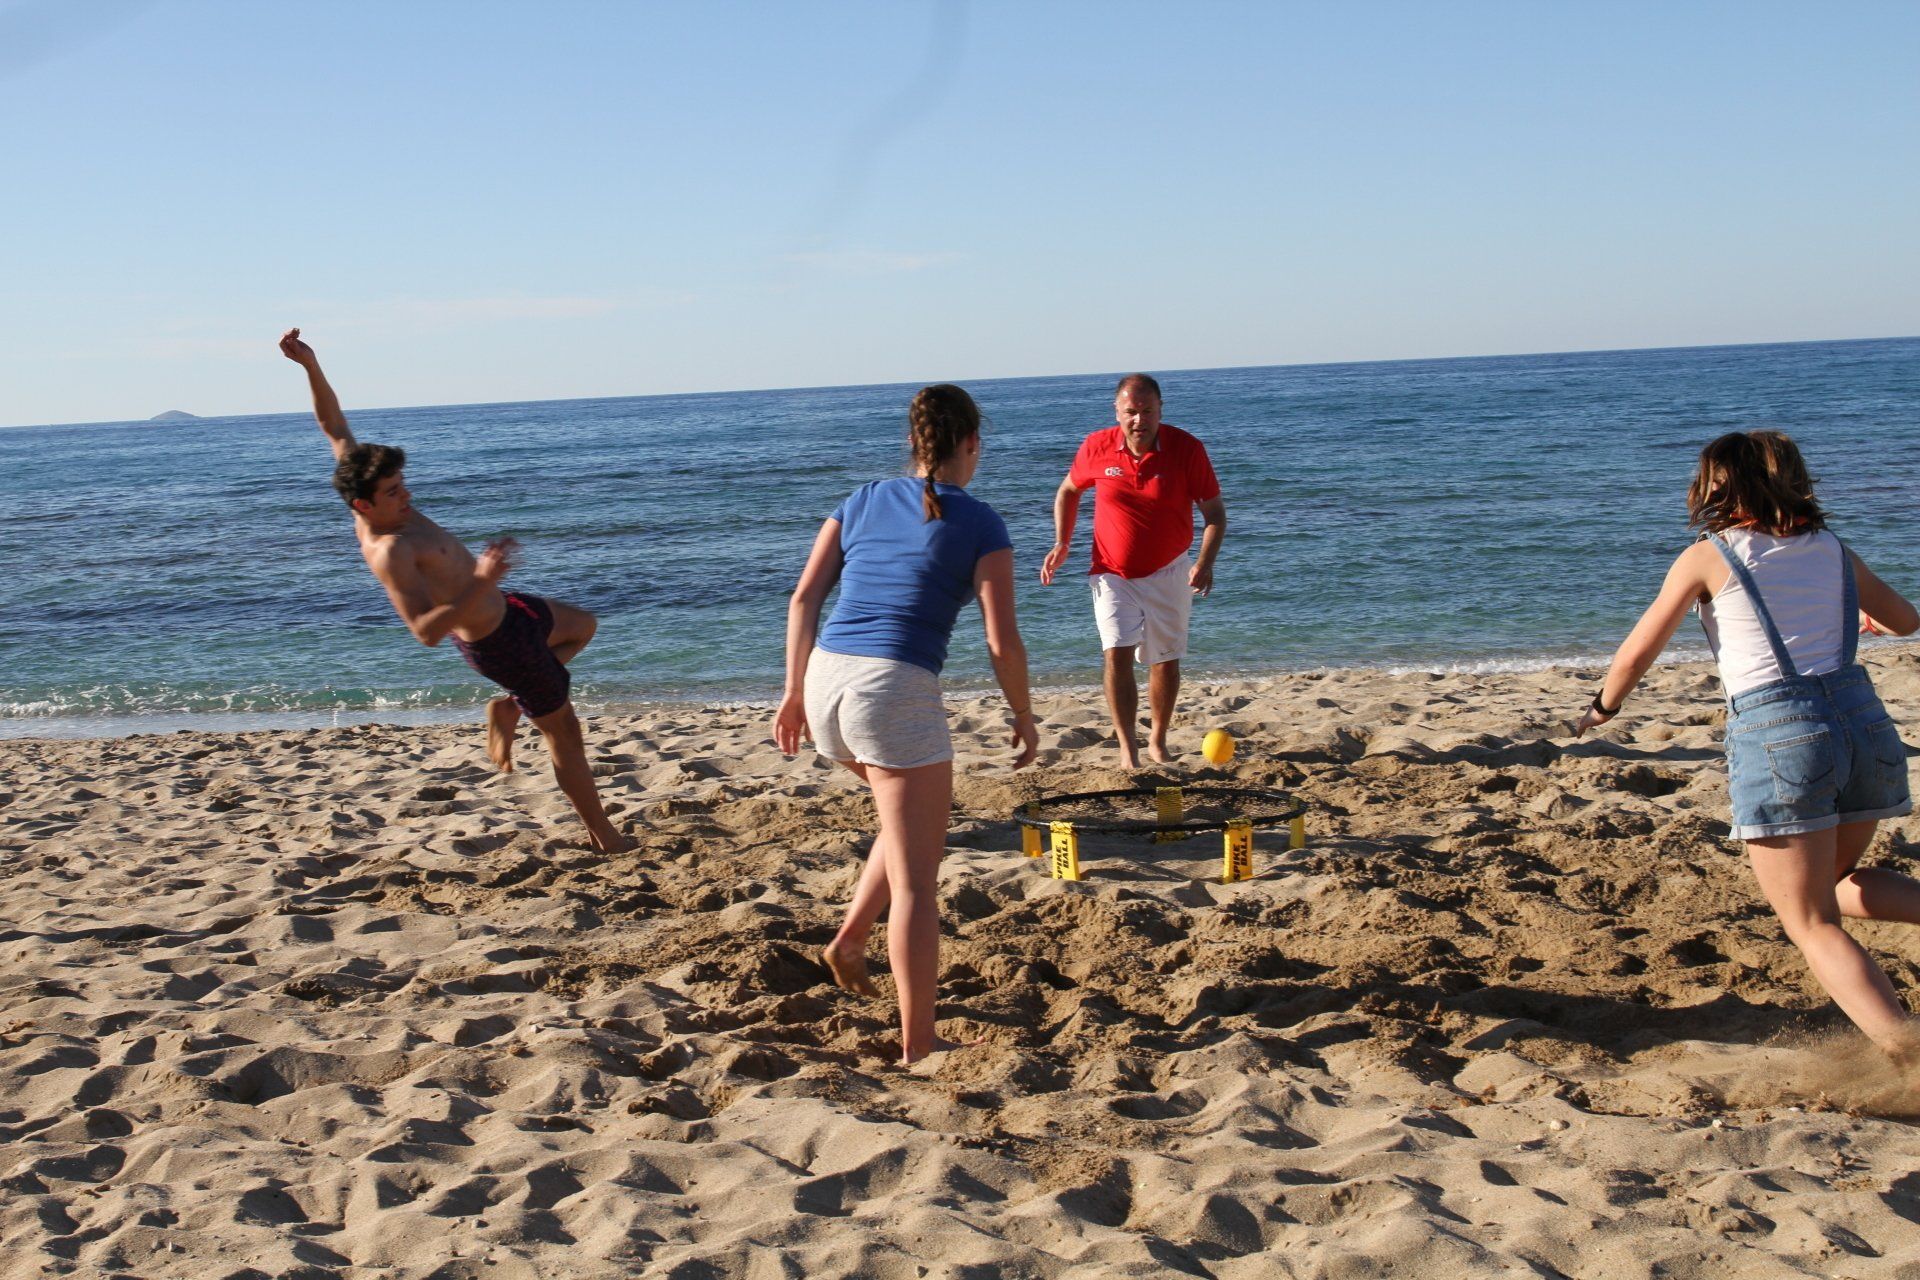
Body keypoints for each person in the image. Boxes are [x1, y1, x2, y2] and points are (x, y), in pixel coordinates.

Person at [1575, 430, 1920, 1065]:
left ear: (1718, 487)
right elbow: (1906, 621)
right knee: (1835, 881)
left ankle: (1908, 1054)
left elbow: (1637, 652)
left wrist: (1604, 707)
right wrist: (1862, 617)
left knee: (1812, 923)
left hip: (1783, 732)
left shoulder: (1708, 557)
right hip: (1864, 724)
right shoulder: (1832, 548)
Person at [278, 328, 633, 855]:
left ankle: (510, 708)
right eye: (394, 492)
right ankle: (605, 837)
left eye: (403, 484)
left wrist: (310, 366)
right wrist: (483, 581)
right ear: (363, 506)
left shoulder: (366, 486)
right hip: (498, 642)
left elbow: (333, 426)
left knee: (583, 625)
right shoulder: (390, 550)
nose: (407, 495)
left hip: (514, 610)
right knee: (565, 732)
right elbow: (425, 632)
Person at [773, 384, 1038, 1066]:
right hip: (890, 689)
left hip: (826, 681)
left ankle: (849, 940)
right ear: (972, 443)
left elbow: (804, 599)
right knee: (920, 881)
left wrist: (793, 692)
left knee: (906, 825)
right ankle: (919, 1044)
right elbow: (1002, 641)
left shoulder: (861, 499)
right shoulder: (981, 522)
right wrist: (1022, 713)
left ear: (915, 442)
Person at [1040, 374, 1226, 767]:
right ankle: (1128, 750)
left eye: (1147, 411)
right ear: (1117, 411)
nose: (1139, 420)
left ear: (1160, 410)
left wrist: (1204, 562)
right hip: (1110, 572)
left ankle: (1157, 740)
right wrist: (1062, 542)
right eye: (1131, 412)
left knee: (1165, 660)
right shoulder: (1096, 446)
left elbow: (1215, 515)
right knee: (1116, 655)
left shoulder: (1187, 449)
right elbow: (1069, 490)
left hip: (1169, 571)